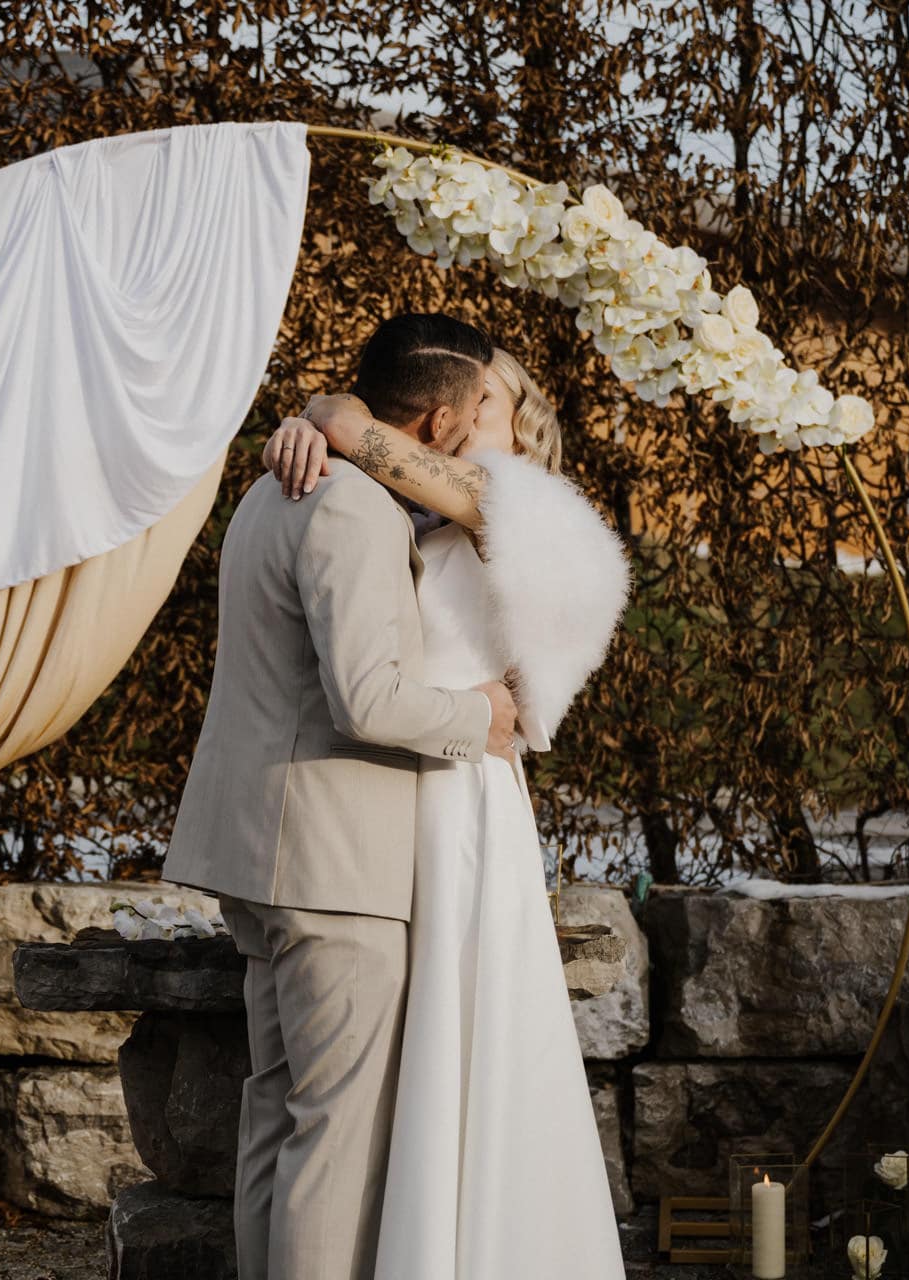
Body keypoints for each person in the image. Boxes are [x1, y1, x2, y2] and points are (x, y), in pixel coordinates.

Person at [260, 344, 631, 1279]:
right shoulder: (398, 515)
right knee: (357, 1100)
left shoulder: (528, 512)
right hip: (372, 805)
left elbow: (358, 427)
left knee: (456, 1058)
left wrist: (327, 414)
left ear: (520, 421)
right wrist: (314, 422)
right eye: (460, 399)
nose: (467, 417)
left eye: (490, 400)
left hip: (461, 805)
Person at [163, 313, 521, 1280]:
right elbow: (367, 699)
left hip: (262, 851)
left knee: (276, 1114)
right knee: (335, 1135)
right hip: (331, 862)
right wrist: (478, 714)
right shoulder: (354, 506)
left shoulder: (267, 495)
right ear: (441, 425)